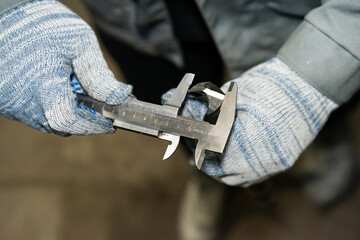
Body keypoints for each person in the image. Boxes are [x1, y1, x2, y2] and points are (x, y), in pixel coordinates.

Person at [0, 0, 359, 239]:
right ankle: (208, 172)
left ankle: (324, 133)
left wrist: (315, 75)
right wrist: (9, 11)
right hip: (136, 19)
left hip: (287, 15)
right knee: (171, 98)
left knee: (326, 90)